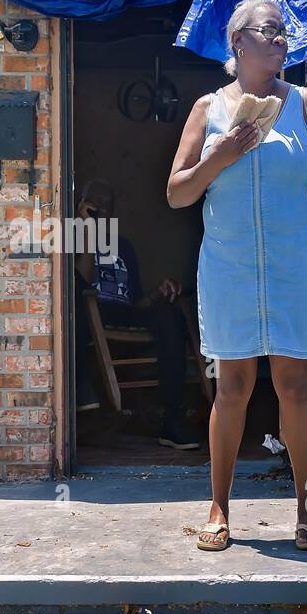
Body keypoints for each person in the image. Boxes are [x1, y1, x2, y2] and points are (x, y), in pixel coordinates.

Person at [166, 0, 307, 551]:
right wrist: (219, 157)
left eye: (284, 34)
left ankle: (305, 512)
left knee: (294, 386)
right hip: (229, 266)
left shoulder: (304, 104)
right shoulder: (208, 108)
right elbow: (177, 193)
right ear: (238, 43)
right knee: (233, 387)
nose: (280, 42)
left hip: (291, 264)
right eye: (268, 33)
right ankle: (219, 509)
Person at [74, 178, 201, 449]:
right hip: (94, 312)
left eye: (108, 205)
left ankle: (172, 417)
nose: (103, 208)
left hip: (124, 312)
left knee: (171, 317)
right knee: (79, 304)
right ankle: (86, 400)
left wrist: (158, 294)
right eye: (97, 203)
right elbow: (82, 283)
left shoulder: (124, 246)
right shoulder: (74, 238)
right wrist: (86, 229)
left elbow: (136, 302)